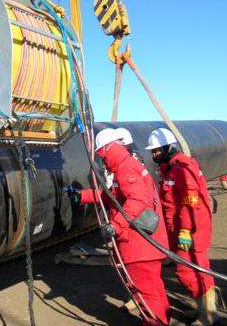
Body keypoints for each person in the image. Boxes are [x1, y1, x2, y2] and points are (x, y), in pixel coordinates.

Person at [66, 128, 170, 325]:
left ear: (109, 149)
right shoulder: (128, 166)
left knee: (145, 294)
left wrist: (115, 225)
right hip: (146, 245)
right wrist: (83, 196)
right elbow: (111, 196)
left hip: (139, 246)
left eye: (102, 155)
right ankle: (162, 320)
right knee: (153, 289)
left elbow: (138, 200)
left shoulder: (125, 168)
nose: (102, 160)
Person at [146, 128, 217, 325]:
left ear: (169, 148)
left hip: (193, 230)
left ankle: (209, 316)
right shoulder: (169, 169)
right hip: (179, 229)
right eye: (153, 152)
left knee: (192, 271)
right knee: (192, 271)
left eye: (157, 151)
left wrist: (186, 230)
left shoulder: (182, 169)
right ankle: (202, 310)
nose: (154, 155)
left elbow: (189, 203)